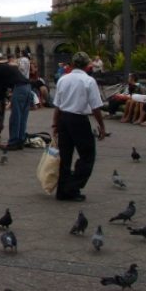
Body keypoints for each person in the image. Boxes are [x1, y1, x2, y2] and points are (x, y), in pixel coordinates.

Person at [52, 51, 106, 202]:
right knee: (87, 155)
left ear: (73, 63)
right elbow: (96, 107)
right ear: (88, 65)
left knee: (65, 156)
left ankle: (62, 190)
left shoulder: (63, 79)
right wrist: (101, 125)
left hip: (64, 118)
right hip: (79, 119)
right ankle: (72, 186)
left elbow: (57, 105)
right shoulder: (88, 81)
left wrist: (55, 124)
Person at [0, 54, 31, 150]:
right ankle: (20, 140)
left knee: (16, 116)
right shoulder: (7, 66)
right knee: (23, 116)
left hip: (19, 88)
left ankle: (13, 142)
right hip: (28, 87)